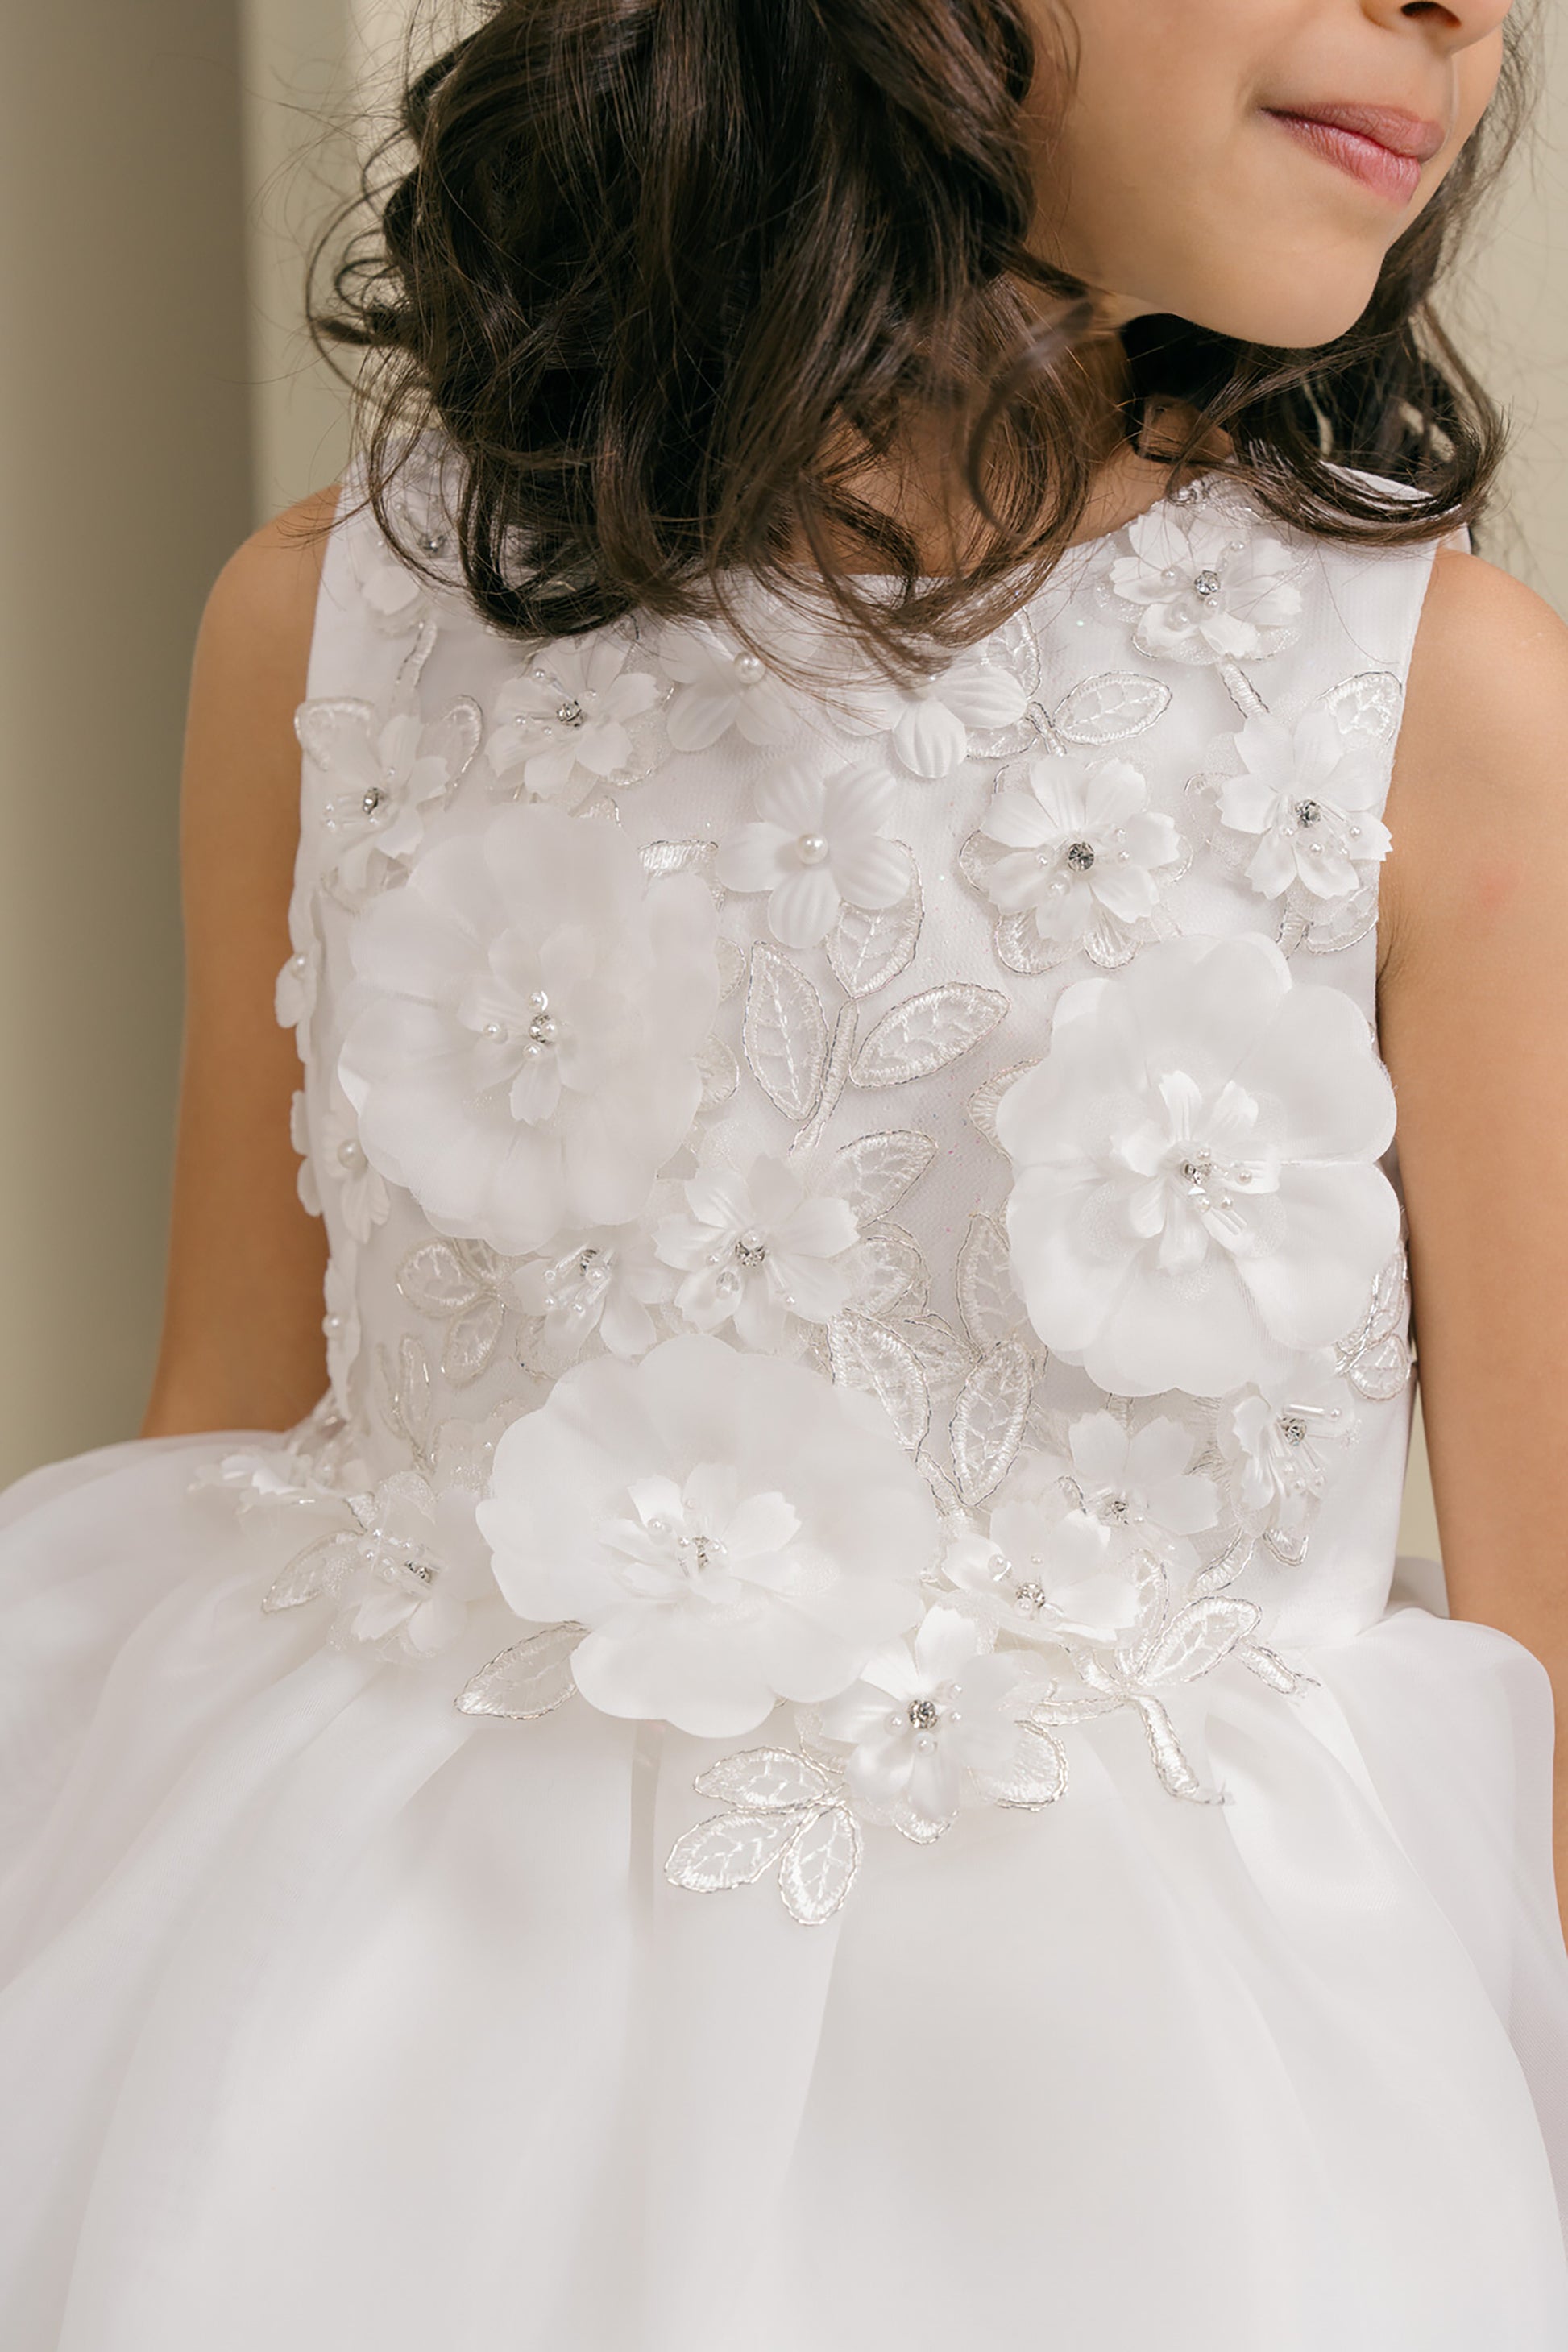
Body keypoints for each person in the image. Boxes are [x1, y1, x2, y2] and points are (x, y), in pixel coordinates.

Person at [3, 0, 1566, 2343]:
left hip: (1156, 2150)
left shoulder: (1428, 705)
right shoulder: (326, 626)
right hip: (378, 2080)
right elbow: (234, 1428)